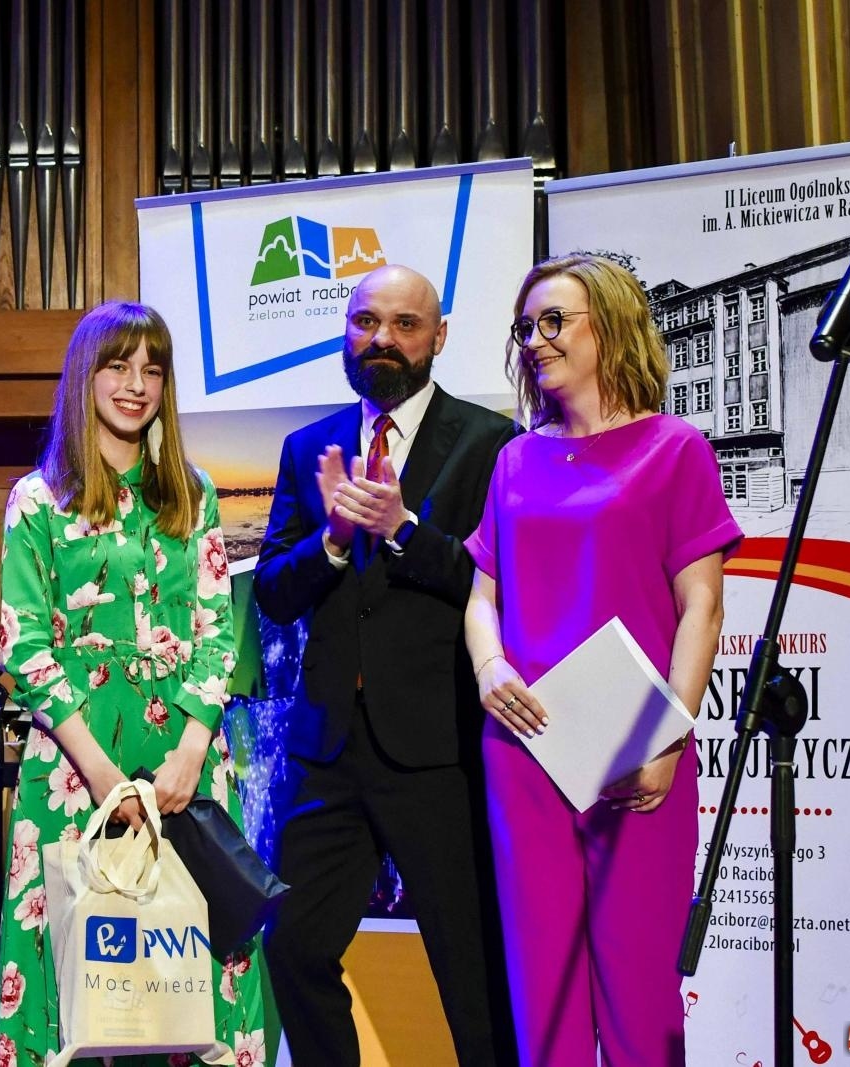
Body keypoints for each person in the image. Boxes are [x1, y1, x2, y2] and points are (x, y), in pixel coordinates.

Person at [461, 253, 739, 1066]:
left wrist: (667, 736)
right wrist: (490, 668)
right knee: (541, 995)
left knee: (640, 988)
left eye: (554, 322)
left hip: (633, 745)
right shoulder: (515, 459)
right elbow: (485, 597)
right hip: (523, 746)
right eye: (526, 328)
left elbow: (703, 608)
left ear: (609, 327)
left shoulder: (675, 449)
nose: (536, 342)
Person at [254, 264, 518, 1066]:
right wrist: (331, 540)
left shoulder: (490, 443)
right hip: (328, 752)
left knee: (473, 979)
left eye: (405, 325)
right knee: (293, 949)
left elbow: (492, 586)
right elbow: (272, 592)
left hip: (440, 751)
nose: (383, 339)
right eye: (367, 321)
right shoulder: (310, 447)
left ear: (438, 338)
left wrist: (403, 527)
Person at [0, 301, 268, 1066]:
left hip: (185, 758)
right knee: (78, 972)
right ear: (86, 374)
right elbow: (27, 649)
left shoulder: (195, 492)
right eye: (118, 365)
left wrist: (188, 752)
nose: (136, 383)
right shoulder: (37, 498)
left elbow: (220, 633)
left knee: (193, 964)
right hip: (79, 765)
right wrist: (108, 777)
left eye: (152, 369)